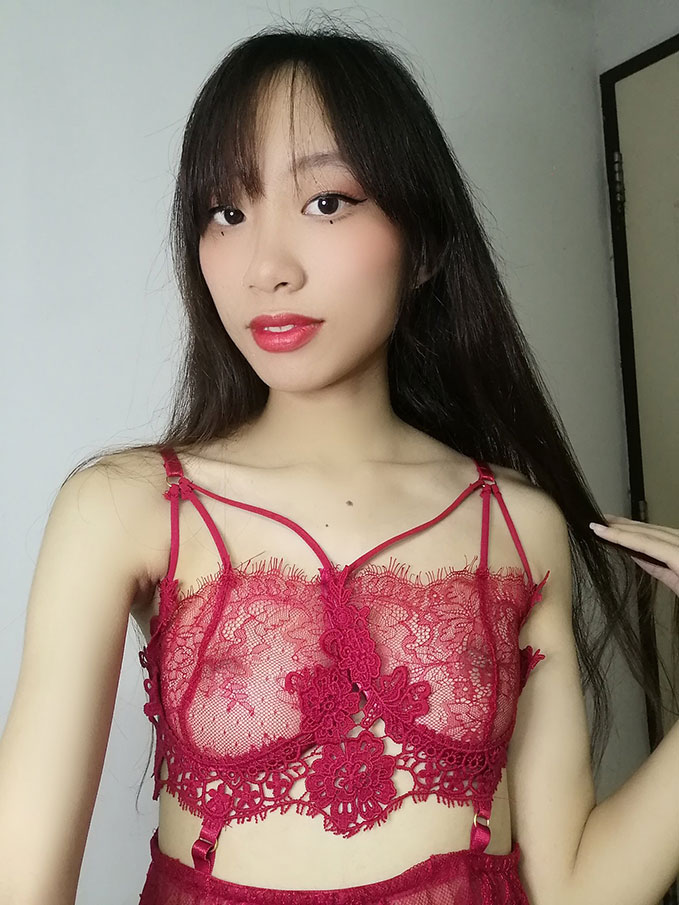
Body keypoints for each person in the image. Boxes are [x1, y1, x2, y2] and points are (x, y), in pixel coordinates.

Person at [1, 15, 677, 905]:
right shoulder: (124, 506)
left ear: (423, 243)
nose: (266, 267)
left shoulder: (517, 525)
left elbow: (575, 890)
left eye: (325, 202)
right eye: (227, 212)